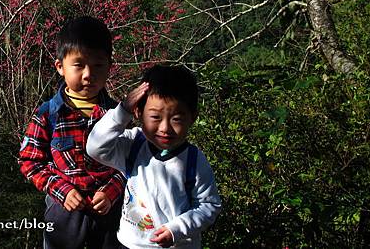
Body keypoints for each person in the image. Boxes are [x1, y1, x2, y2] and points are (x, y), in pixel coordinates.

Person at [18, 16, 125, 249]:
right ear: (60, 67)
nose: (89, 74)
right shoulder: (48, 114)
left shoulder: (117, 115)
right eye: (79, 65)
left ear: (109, 66)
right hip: (63, 209)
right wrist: (63, 191)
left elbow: (132, 164)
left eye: (98, 65)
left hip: (109, 209)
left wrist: (111, 191)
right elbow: (29, 161)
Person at [87, 65, 221, 249]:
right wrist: (122, 111)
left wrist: (177, 229)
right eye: (155, 117)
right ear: (138, 113)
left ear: (193, 117)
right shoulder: (133, 145)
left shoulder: (194, 161)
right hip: (130, 243)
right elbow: (95, 147)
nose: (165, 127)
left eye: (176, 119)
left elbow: (209, 205)